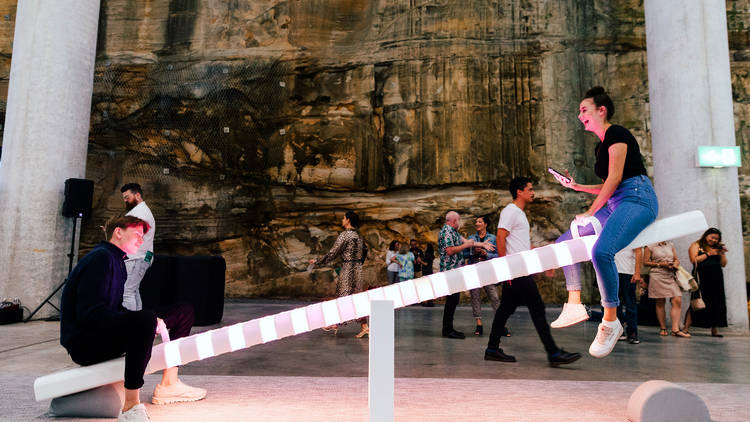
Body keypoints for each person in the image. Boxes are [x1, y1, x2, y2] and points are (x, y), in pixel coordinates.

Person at [60, 216, 206, 422]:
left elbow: (114, 309)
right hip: (85, 344)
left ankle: (169, 384)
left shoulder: (116, 261)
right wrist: (143, 321)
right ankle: (130, 406)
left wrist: (147, 320)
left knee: (183, 311)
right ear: (118, 232)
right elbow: (90, 315)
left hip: (100, 332)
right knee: (146, 319)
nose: (140, 240)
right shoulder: (100, 258)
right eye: (137, 234)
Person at [549, 86, 659, 358]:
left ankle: (610, 320)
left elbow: (616, 179)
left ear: (602, 110)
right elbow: (607, 185)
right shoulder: (601, 145)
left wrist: (589, 211)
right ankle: (574, 303)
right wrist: (576, 186)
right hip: (616, 201)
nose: (579, 115)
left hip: (637, 198)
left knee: (601, 251)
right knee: (564, 243)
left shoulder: (617, 133)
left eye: (584, 109)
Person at [484, 177, 581, 367]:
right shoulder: (510, 211)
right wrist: (506, 269)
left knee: (505, 310)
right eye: (529, 189)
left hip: (520, 268)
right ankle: (553, 353)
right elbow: (500, 238)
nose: (533, 192)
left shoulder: (519, 214)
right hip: (515, 270)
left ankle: (492, 349)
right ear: (519, 192)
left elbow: (522, 246)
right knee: (537, 308)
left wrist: (542, 263)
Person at [310, 211, 369, 338]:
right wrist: (359, 263)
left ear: (348, 220)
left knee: (343, 298)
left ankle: (334, 324)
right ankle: (364, 326)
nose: (342, 220)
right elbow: (365, 250)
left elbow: (333, 253)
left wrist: (318, 261)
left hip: (348, 269)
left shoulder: (345, 235)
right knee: (357, 299)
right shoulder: (359, 236)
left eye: (343, 218)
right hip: (358, 269)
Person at [438, 211, 494, 339]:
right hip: (450, 271)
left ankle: (449, 328)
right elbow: (450, 250)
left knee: (453, 300)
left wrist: (483, 244)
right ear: (454, 221)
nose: (460, 223)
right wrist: (465, 246)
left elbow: (469, 242)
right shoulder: (446, 232)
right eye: (459, 220)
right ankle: (447, 330)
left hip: (455, 271)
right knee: (451, 300)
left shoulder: (453, 232)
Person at [683, 228, 728, 337]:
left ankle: (714, 330)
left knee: (716, 302)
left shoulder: (717, 248)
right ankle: (685, 328)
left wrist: (721, 253)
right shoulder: (696, 245)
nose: (713, 240)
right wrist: (708, 254)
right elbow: (693, 260)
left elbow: (723, 264)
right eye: (712, 237)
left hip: (716, 278)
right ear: (706, 235)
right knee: (696, 301)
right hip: (701, 277)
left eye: (716, 239)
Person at [121, 183, 156, 312]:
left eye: (127, 197)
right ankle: (139, 325)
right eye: (123, 198)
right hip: (142, 257)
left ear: (137, 195)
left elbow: (130, 236)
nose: (125, 200)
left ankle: (130, 326)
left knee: (127, 292)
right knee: (133, 290)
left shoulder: (139, 213)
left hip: (137, 258)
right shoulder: (141, 211)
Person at [643, 241, 690, 338]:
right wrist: (661, 264)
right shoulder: (650, 246)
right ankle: (663, 327)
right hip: (657, 274)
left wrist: (675, 264)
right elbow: (645, 262)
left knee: (677, 299)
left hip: (670, 274)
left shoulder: (670, 245)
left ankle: (675, 329)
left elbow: (676, 259)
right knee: (660, 301)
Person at [465, 215, 500, 336]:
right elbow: (465, 253)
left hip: (488, 271)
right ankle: (479, 324)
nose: (477, 223)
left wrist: (487, 255)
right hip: (474, 269)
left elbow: (498, 255)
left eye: (479, 222)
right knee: (475, 296)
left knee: (494, 297)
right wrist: (473, 251)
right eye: (476, 222)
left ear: (485, 224)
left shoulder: (493, 238)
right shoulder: (471, 238)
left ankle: (500, 324)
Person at [615, 247, 644, 344]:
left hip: (628, 272)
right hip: (614, 271)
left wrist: (637, 273)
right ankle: (619, 331)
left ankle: (632, 332)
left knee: (630, 303)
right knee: (615, 304)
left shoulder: (632, 233)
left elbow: (639, 252)